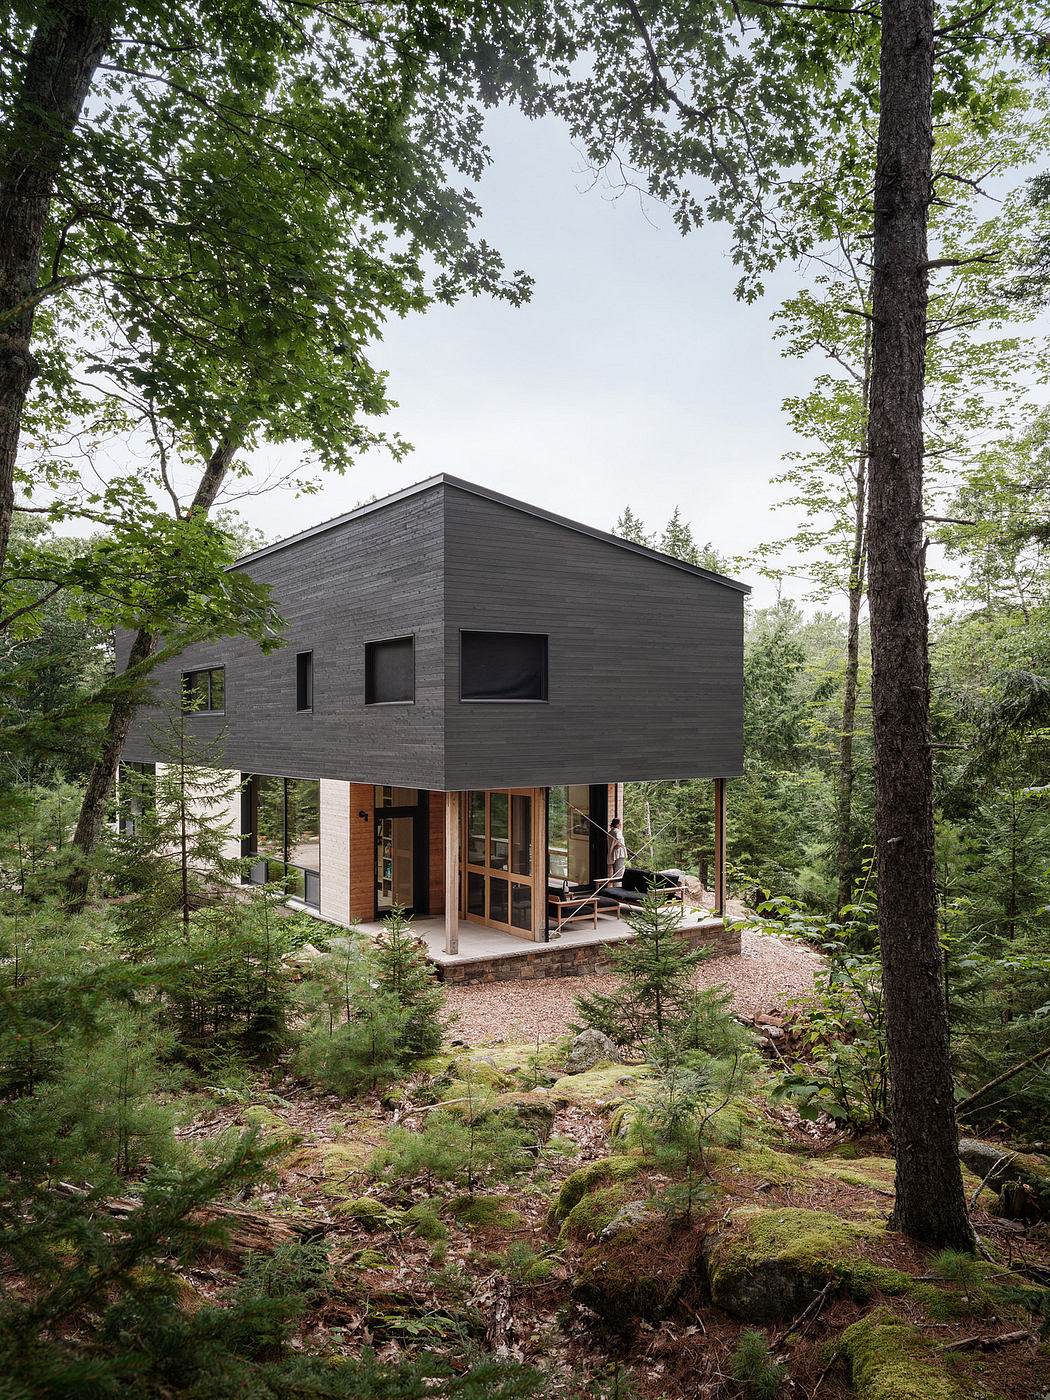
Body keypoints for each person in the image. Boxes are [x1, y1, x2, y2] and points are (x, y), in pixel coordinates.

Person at [608, 818, 627, 882]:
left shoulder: (610, 832)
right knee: (618, 873)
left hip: (613, 854)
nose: (621, 824)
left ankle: (615, 887)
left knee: (615, 871)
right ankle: (617, 888)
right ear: (617, 825)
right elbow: (619, 839)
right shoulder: (617, 831)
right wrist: (619, 845)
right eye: (620, 823)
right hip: (619, 854)